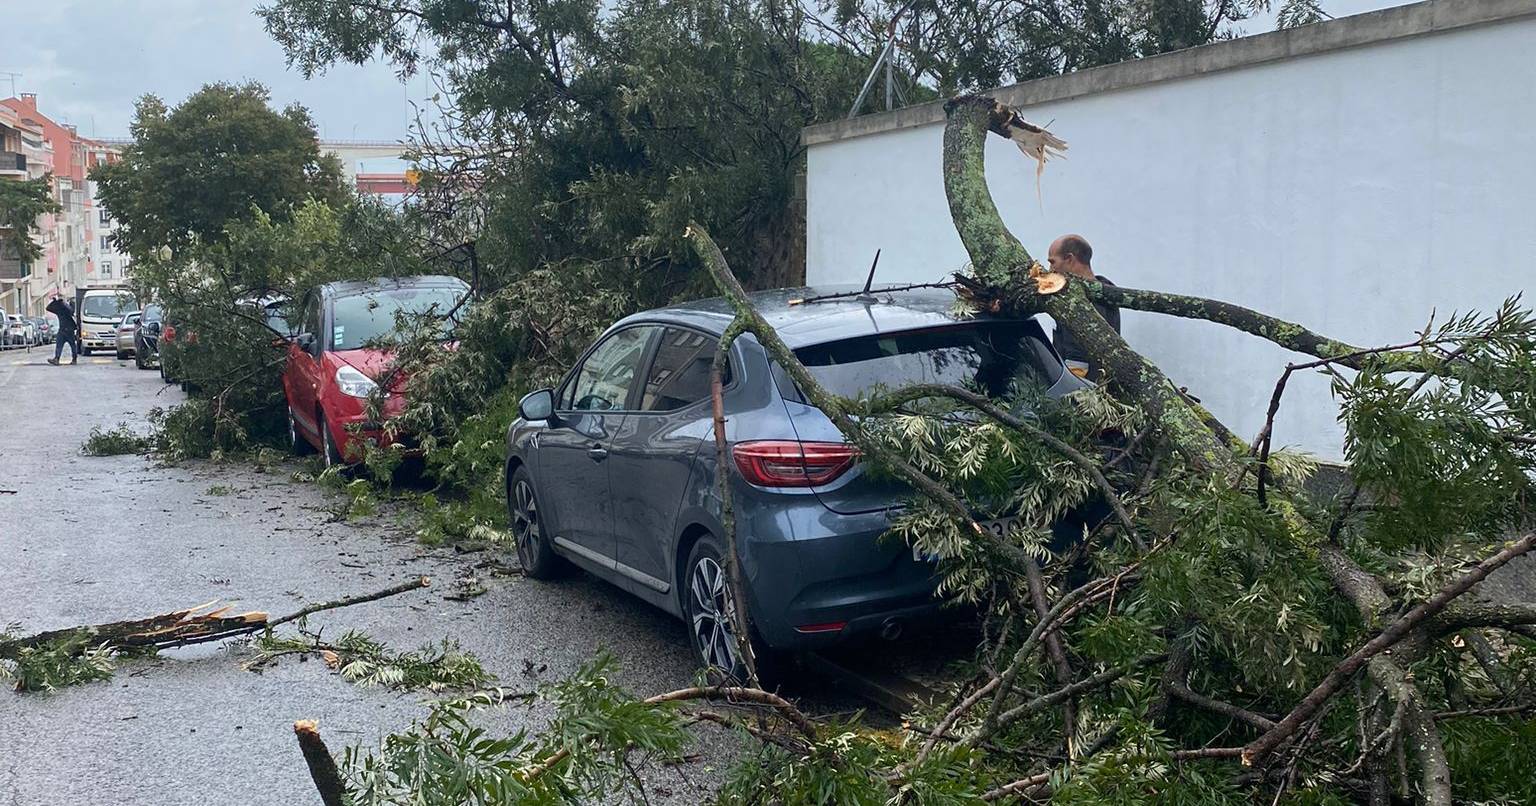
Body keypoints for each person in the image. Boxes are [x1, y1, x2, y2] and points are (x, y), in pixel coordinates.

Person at [1046, 234, 1120, 382]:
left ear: (1069, 259)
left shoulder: (1084, 300)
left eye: (1053, 262)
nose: (1050, 269)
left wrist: (1067, 390)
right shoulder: (1105, 293)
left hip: (1083, 389)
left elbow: (1077, 360)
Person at [45, 293, 78, 366]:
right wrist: (55, 302)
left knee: (72, 345)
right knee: (60, 344)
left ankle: (74, 359)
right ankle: (57, 359)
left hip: (68, 330)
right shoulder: (60, 309)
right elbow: (48, 308)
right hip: (63, 329)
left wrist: (61, 302)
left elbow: (70, 310)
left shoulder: (68, 309)